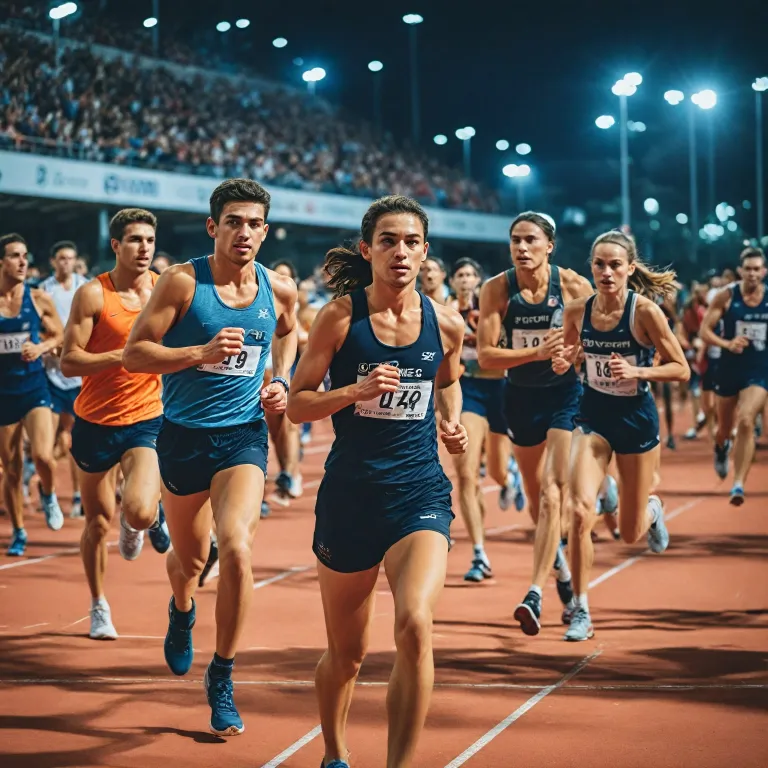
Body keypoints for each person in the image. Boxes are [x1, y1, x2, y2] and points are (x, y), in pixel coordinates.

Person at [286, 195, 467, 768]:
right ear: (367, 250)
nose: (401, 251)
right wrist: (354, 393)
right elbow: (296, 406)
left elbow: (448, 381)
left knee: (415, 624)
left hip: (419, 494)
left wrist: (452, 421)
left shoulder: (446, 322)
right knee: (347, 655)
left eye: (412, 241)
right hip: (350, 498)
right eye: (388, 240)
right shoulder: (340, 317)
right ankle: (335, 753)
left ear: (424, 252)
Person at [123, 178, 298, 737]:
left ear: (264, 232)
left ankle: (222, 674)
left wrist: (282, 379)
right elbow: (134, 353)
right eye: (233, 222)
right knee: (190, 563)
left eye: (253, 224)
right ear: (213, 227)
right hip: (182, 437)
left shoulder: (280, 288)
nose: (243, 232)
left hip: (243, 436)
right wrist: (198, 351)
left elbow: (289, 335)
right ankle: (181, 610)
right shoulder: (182, 282)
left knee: (239, 548)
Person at [553, 230, 687, 641]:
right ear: (590, 267)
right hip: (592, 417)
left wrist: (638, 372)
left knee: (629, 533)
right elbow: (571, 355)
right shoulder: (577, 309)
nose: (606, 272)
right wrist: (564, 361)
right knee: (577, 512)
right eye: (599, 264)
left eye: (614, 265)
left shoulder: (645, 312)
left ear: (630, 268)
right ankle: (581, 609)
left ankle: (653, 508)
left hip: (635, 419)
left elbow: (681, 368)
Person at [477, 212, 593, 636]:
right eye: (515, 241)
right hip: (520, 398)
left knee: (551, 493)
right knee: (532, 497)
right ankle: (560, 571)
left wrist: (572, 355)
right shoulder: (497, 289)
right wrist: (536, 353)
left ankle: (534, 593)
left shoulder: (575, 286)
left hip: (565, 396)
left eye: (530, 240)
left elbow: (592, 336)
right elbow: (487, 356)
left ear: (550, 246)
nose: (521, 248)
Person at [61, 209, 171, 640]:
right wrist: (123, 356)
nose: (144, 248)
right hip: (94, 422)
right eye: (134, 240)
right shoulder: (93, 295)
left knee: (140, 511)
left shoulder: (164, 290)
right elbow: (71, 361)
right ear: (115, 246)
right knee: (95, 521)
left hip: (147, 418)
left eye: (149, 240)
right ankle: (98, 604)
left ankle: (137, 519)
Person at [448, 257, 522, 583]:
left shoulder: (490, 308)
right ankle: (479, 552)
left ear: (477, 280)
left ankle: (509, 480)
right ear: (453, 281)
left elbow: (505, 342)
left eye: (470, 274)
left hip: (501, 388)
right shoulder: (447, 310)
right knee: (465, 474)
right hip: (469, 391)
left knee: (495, 468)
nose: (465, 280)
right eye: (460, 274)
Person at [0, 233, 65, 555]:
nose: (23, 261)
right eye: (14, 255)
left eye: (25, 255)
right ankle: (19, 531)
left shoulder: (38, 298)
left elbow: (61, 336)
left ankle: (49, 494)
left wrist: (40, 346)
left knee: (43, 455)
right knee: (10, 468)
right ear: (1, 262)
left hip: (34, 388)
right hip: (3, 393)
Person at [699, 247, 768, 505]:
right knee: (724, 429)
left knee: (747, 419)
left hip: (759, 370)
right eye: (747, 269)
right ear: (741, 271)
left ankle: (738, 484)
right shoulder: (727, 297)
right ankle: (720, 448)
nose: (752, 274)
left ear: (764, 271)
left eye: (756, 269)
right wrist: (727, 344)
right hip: (729, 368)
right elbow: (705, 331)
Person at [40, 241, 89, 518]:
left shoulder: (86, 286)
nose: (66, 263)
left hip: (80, 377)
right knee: (48, 445)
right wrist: (50, 343)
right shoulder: (43, 290)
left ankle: (78, 495)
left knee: (75, 440)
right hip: (51, 375)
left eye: (70, 258)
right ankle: (45, 487)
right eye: (61, 259)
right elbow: (38, 329)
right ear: (53, 261)